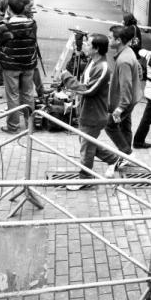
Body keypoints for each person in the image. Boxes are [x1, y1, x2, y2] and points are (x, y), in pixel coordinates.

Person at [59, 33, 117, 190]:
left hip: (94, 115)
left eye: (88, 44)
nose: (84, 45)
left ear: (96, 49)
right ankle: (113, 159)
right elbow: (85, 84)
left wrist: (67, 78)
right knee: (87, 143)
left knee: (86, 147)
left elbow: (89, 89)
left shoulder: (103, 67)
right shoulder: (92, 62)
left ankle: (85, 178)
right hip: (85, 111)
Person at [0, 0, 38, 133]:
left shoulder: (4, 26)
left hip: (10, 65)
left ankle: (13, 126)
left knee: (13, 96)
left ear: (9, 9)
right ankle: (30, 125)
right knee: (28, 94)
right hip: (28, 64)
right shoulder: (32, 24)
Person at [106, 26, 143, 156]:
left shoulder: (123, 61)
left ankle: (126, 152)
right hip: (132, 98)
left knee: (110, 126)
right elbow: (139, 70)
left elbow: (126, 86)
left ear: (118, 40)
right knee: (125, 126)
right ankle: (126, 155)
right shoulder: (128, 51)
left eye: (110, 37)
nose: (108, 40)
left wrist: (120, 107)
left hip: (126, 101)